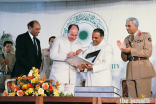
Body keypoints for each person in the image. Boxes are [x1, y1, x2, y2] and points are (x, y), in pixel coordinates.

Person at [117, 17, 156, 97]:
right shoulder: (127, 39)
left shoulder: (145, 35)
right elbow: (124, 59)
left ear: (136, 26)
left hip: (143, 70)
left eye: (129, 26)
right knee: (132, 99)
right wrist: (123, 50)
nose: (126, 28)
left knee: (143, 99)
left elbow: (148, 53)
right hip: (130, 71)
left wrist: (131, 50)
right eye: (126, 26)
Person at [49, 24, 82, 95]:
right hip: (59, 76)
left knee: (70, 100)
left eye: (76, 35)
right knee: (57, 100)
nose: (74, 37)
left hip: (72, 78)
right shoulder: (58, 39)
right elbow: (52, 55)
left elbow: (78, 61)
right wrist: (67, 55)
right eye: (72, 35)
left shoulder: (79, 44)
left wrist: (80, 56)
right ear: (67, 32)